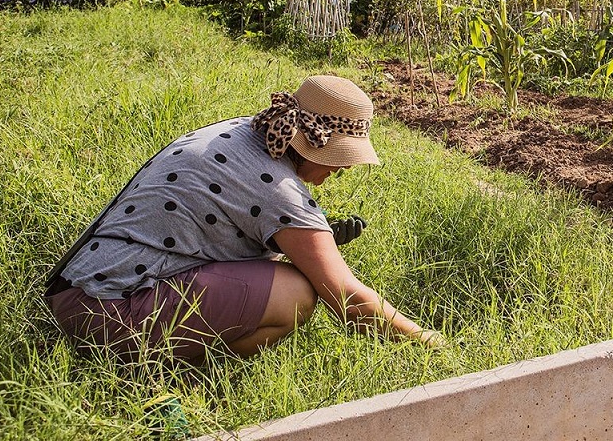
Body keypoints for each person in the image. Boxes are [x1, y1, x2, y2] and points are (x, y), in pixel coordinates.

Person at [46, 74, 442, 364]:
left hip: (77, 293)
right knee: (297, 295)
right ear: (314, 144)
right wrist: (430, 343)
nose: (340, 171)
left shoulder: (240, 133)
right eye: (339, 159)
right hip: (108, 314)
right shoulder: (277, 190)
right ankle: (180, 373)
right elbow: (347, 299)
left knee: (278, 272)